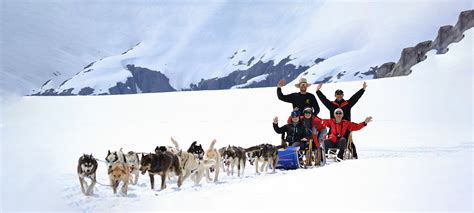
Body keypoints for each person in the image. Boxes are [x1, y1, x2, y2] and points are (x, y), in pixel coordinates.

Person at [316, 81, 367, 158]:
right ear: (335, 95)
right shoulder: (331, 105)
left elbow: (355, 98)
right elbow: (324, 100)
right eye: (337, 94)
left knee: (348, 142)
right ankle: (330, 156)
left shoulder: (347, 104)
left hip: (346, 127)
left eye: (340, 94)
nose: (339, 96)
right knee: (332, 139)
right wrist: (318, 91)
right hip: (334, 126)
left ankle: (354, 156)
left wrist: (362, 89)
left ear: (343, 95)